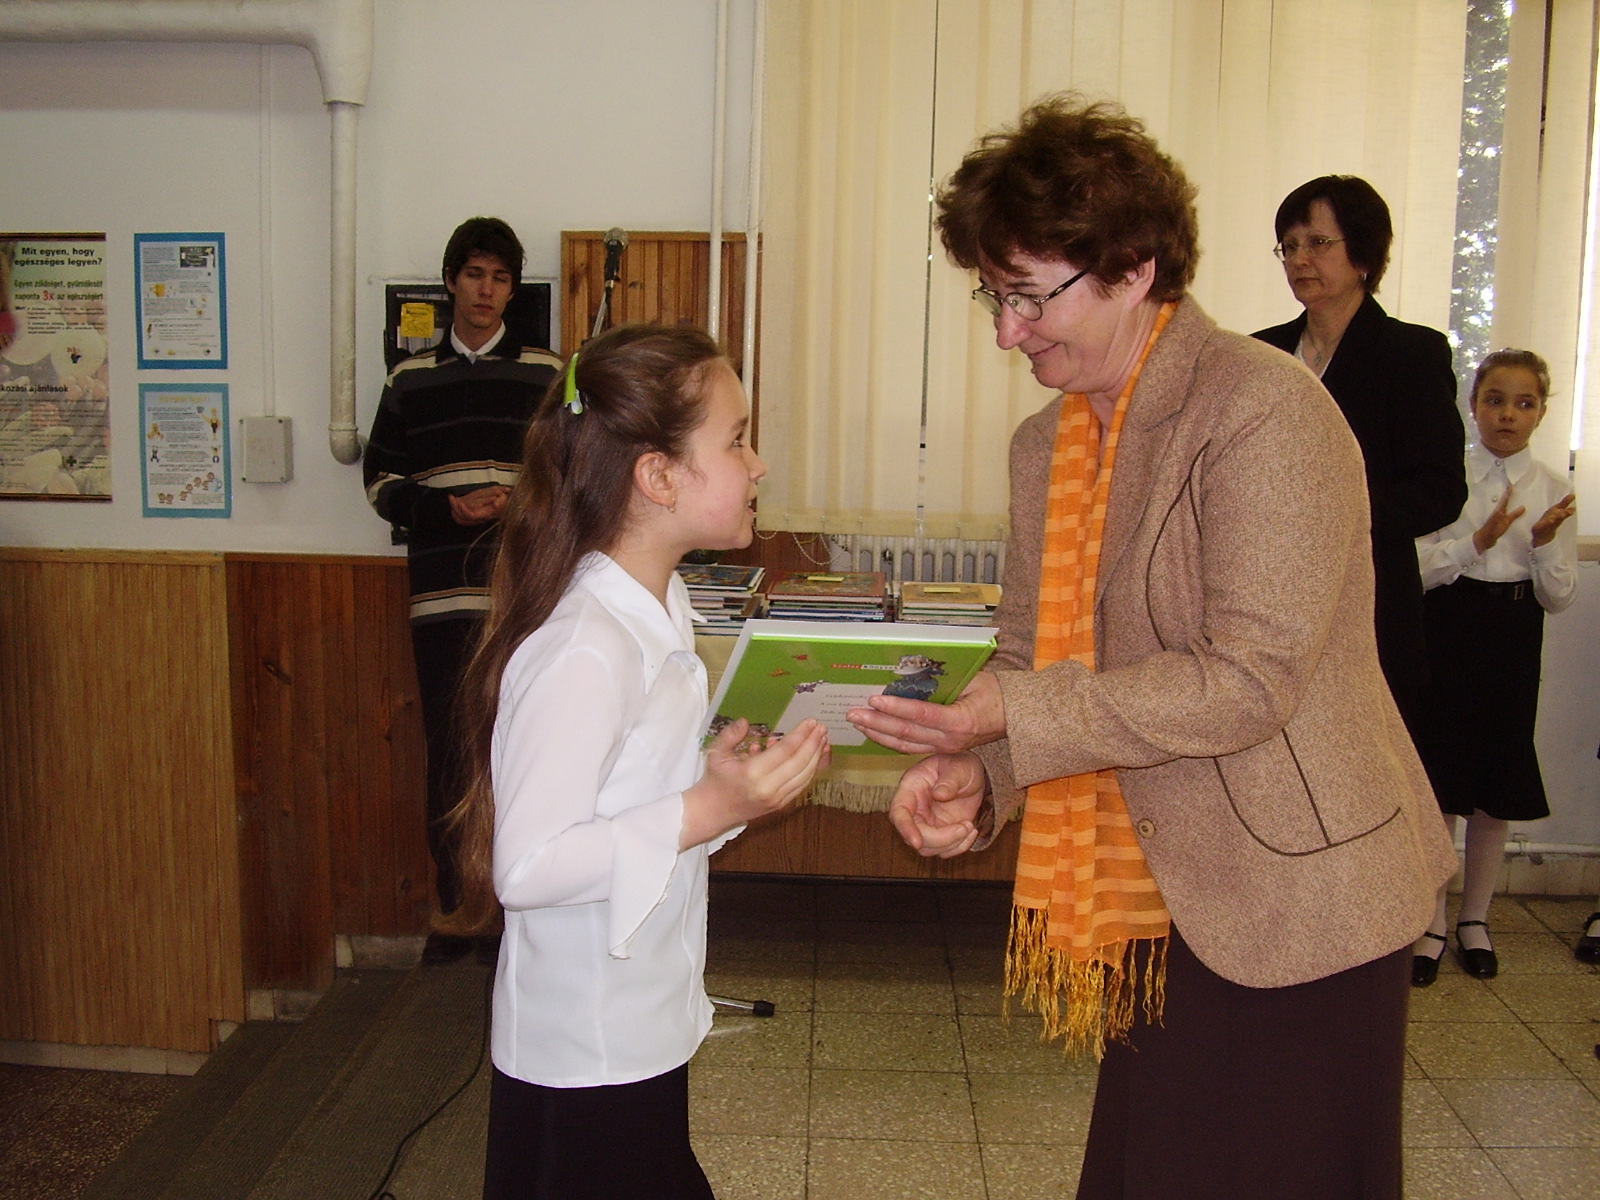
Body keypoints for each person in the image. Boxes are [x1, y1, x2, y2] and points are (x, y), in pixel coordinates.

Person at [846, 95, 1456, 1199]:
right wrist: (981, 778)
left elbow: (1248, 681)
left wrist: (1010, 719)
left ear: (1132, 269)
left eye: (1028, 296)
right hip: (1160, 889)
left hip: (1299, 893)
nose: (1006, 333)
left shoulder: (1264, 412)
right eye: (993, 296)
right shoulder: (1047, 444)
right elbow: (1031, 656)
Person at [441, 324, 829, 1198]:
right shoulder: (586, 646)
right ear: (658, 476)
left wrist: (722, 784)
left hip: (643, 1017)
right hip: (584, 1048)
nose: (758, 464)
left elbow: (641, 801)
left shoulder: (666, 602)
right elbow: (528, 866)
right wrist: (707, 808)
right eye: (736, 441)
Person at [363, 217, 562, 964]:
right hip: (443, 601)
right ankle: (457, 910)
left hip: (526, 603)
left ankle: (517, 912)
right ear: (451, 282)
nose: (486, 290)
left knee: (522, 753)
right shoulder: (409, 379)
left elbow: (574, 476)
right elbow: (380, 482)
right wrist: (447, 509)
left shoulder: (549, 373)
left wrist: (520, 503)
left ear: (513, 290)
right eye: (474, 275)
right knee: (449, 754)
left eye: (500, 278)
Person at [1253, 176, 1466, 732]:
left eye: (1318, 243)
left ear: (1365, 256)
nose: (1300, 259)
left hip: (1370, 607)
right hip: (1265, 606)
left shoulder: (1411, 353)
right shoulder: (1259, 353)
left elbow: (1440, 491)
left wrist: (1328, 513)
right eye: (1289, 246)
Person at [1410, 350, 1577, 985]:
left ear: (1541, 412)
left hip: (1512, 632)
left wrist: (1541, 546)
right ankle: (1430, 921)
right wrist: (1473, 544)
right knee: (1440, 777)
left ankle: (1475, 919)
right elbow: (1414, 571)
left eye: (1524, 402)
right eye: (1495, 400)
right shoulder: (1445, 478)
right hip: (1446, 628)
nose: (1508, 414)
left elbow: (1558, 597)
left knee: (1495, 777)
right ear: (1474, 406)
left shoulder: (1553, 488)